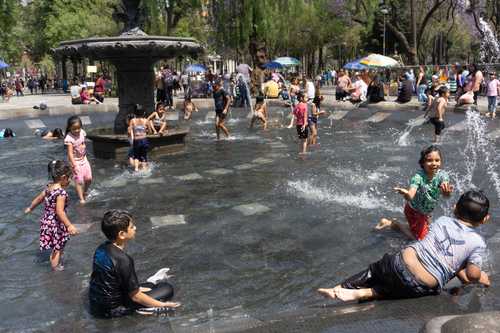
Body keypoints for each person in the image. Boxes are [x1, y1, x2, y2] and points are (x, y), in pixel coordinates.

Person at [319, 190, 490, 302]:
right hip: (416, 283)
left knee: (372, 272)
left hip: (396, 262)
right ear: (485, 219)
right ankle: (364, 293)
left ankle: (339, 288)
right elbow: (472, 275)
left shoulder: (443, 220)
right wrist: (479, 275)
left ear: (454, 209)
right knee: (395, 290)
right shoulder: (477, 242)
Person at [89, 210, 180, 317]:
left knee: (150, 285)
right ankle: (149, 309)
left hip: (97, 303)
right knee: (166, 288)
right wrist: (163, 305)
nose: (135, 228)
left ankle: (149, 285)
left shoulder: (101, 248)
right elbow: (135, 297)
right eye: (132, 227)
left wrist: (138, 289)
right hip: (114, 309)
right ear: (122, 234)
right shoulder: (123, 260)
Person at [376, 145, 453, 240]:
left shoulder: (443, 176)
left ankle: (403, 225)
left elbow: (446, 195)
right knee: (420, 239)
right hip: (414, 211)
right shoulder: (418, 177)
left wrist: (447, 192)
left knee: (428, 232)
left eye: (437, 160)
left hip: (426, 211)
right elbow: (410, 196)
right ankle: (394, 224)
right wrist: (406, 194)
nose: (434, 163)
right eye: (429, 160)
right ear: (423, 163)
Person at [24, 160, 78, 270]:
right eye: (69, 178)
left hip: (46, 222)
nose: (69, 181)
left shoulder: (48, 188)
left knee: (56, 246)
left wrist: (30, 208)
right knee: (58, 248)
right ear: (63, 177)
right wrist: (69, 225)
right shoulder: (61, 193)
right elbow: (60, 211)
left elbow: (38, 199)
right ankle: (55, 270)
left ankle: (56, 263)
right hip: (56, 223)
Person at [64, 116, 93, 204]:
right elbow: (69, 153)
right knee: (79, 181)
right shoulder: (69, 138)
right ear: (69, 128)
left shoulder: (82, 133)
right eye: (74, 129)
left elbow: (83, 143)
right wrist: (74, 165)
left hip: (84, 159)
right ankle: (81, 199)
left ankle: (85, 191)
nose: (77, 131)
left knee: (89, 178)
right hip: (75, 161)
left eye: (78, 128)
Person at [129, 104, 150, 172]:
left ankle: (136, 169)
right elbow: (150, 131)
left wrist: (132, 138)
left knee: (136, 155)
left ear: (134, 113)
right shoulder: (146, 120)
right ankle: (144, 169)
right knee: (143, 155)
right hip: (144, 139)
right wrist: (146, 130)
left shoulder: (132, 121)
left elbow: (130, 130)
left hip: (136, 140)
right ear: (143, 112)